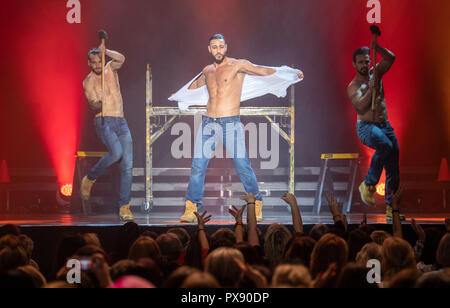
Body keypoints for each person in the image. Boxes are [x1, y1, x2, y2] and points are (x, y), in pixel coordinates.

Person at [170, 34, 304, 223]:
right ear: (209, 49)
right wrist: (180, 95)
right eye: (214, 47)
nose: (218, 50)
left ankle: (256, 201)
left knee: (242, 165)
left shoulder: (238, 65)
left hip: (230, 124)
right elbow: (196, 85)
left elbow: (262, 71)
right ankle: (192, 207)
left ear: (226, 47)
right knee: (198, 166)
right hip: (209, 123)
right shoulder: (207, 70)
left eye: (221, 46)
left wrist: (289, 74)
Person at [347, 38, 403, 221]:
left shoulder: (376, 73)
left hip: (384, 125)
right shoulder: (353, 86)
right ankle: (368, 184)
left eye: (366, 61)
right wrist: (371, 90)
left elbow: (391, 58)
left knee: (393, 166)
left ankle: (390, 207)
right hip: (366, 127)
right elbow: (361, 107)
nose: (364, 65)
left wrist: (378, 48)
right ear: (355, 64)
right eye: (360, 62)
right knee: (385, 145)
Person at [80, 37, 134, 221]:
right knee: (116, 153)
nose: (96, 65)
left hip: (121, 121)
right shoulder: (88, 81)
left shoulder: (110, 68)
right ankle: (90, 177)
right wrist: (99, 101)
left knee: (127, 165)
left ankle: (124, 206)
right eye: (93, 62)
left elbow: (122, 59)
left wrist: (106, 50)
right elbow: (93, 106)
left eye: (99, 61)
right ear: (89, 63)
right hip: (103, 121)